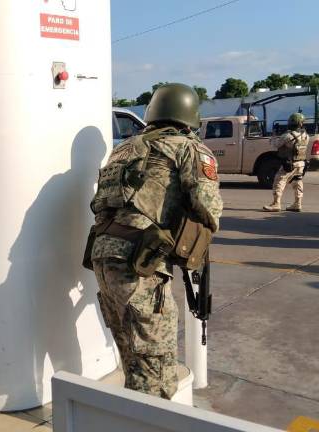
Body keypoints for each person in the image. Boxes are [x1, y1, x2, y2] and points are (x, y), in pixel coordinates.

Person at [85, 83, 222, 399]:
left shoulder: (124, 148)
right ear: (190, 116)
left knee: (133, 357)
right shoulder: (188, 148)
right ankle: (149, 416)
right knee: (155, 372)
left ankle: (132, 411)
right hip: (140, 266)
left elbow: (103, 204)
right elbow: (209, 209)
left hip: (104, 257)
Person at [262, 113, 309, 212]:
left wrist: (273, 136)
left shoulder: (287, 136)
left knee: (279, 181)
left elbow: (275, 145)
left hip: (290, 163)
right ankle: (297, 204)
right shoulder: (306, 136)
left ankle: (276, 204)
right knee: (297, 182)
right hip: (301, 163)